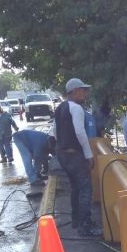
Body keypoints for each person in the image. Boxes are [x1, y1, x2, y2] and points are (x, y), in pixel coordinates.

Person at [54, 78, 102, 237]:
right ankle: (85, 226)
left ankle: (76, 220)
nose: (85, 93)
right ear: (74, 91)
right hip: (75, 155)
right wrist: (89, 155)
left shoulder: (60, 107)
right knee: (85, 189)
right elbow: (80, 133)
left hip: (63, 154)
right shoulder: (76, 108)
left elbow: (55, 132)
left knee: (75, 187)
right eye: (83, 90)